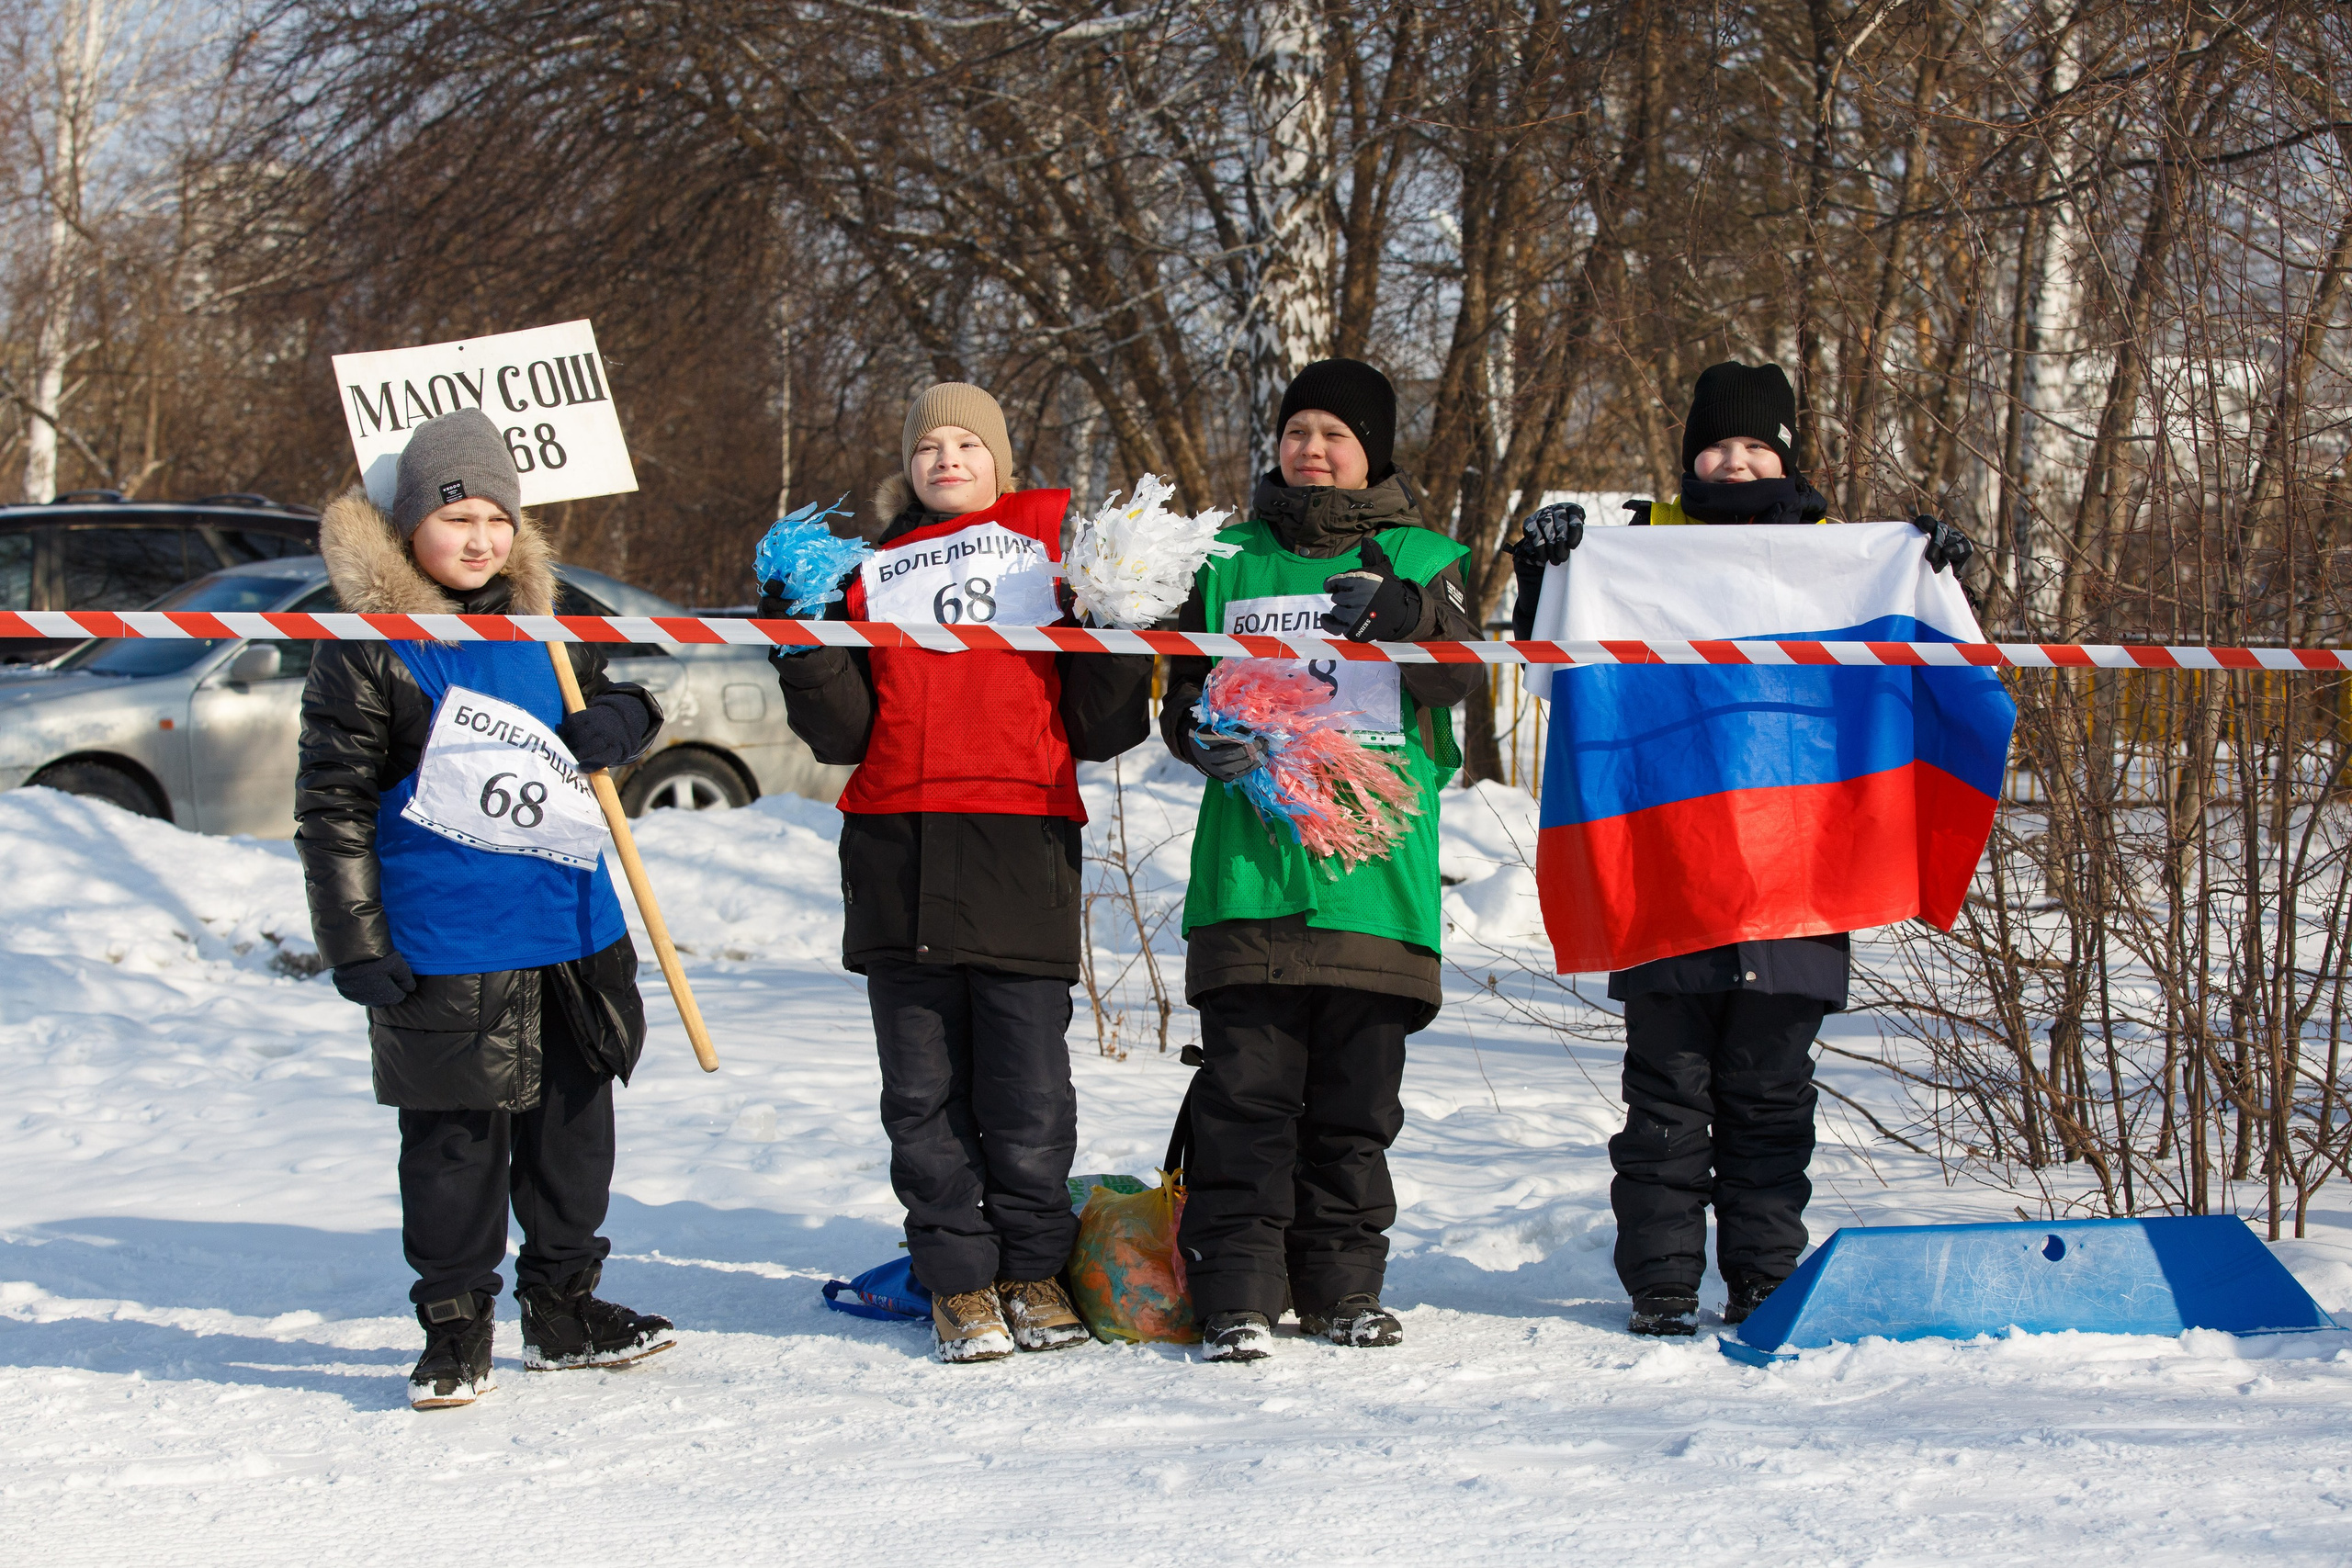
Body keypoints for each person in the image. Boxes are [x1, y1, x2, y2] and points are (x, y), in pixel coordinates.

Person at [1509, 361, 1971, 1337]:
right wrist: (1542, 566)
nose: (1734, 461)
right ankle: (1665, 1285)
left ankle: (1764, 1281)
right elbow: (1547, 663)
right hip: (1666, 866)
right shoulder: (1633, 553)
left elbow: (1941, 665)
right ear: (1687, 462)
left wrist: (1933, 567)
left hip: (1800, 881)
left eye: (1756, 445)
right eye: (1715, 447)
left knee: (1769, 1102)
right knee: (1665, 1101)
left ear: (1788, 456)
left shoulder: (1843, 559)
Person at [764, 383, 1154, 1363]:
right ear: (906, 465)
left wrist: (1114, 617)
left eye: (966, 444)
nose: (945, 458)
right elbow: (842, 734)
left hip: (1019, 849)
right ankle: (959, 1285)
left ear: (1001, 462)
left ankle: (1032, 1271)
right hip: (898, 855)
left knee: (1028, 1096)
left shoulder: (1057, 555)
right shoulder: (863, 573)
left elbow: (1108, 728)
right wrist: (801, 634)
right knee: (922, 1099)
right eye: (927, 444)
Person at [297, 408, 674, 1409]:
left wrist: (628, 718)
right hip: (445, 942)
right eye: (455, 514)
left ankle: (562, 1309)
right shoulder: (370, 647)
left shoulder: (549, 618)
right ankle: (455, 1328)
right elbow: (330, 807)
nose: (480, 538)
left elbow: (623, 695)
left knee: (571, 1142)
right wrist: (354, 940)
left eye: (497, 517)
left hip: (572, 929)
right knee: (456, 1151)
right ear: (411, 523)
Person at [1160, 358, 1483, 1362]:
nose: (1312, 449)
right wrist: (1191, 736)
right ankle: (1239, 1298)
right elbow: (1180, 693)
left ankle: (1344, 1290)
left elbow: (1462, 681)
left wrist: (1410, 620)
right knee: (1244, 1102)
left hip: (1373, 883)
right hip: (1249, 877)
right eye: (1298, 430)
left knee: (1354, 1110)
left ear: (1372, 449)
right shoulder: (1223, 559)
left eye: (1334, 433)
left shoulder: (1425, 555)